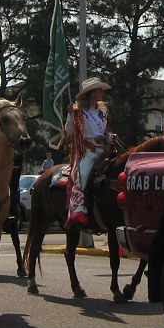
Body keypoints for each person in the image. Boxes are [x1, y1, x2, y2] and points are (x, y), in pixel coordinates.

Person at [63, 76, 117, 229]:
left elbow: (105, 132)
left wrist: (110, 137)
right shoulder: (78, 112)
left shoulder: (102, 113)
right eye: (99, 90)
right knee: (83, 174)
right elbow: (70, 132)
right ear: (92, 93)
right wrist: (70, 115)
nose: (102, 92)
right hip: (88, 152)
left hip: (104, 152)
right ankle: (78, 209)